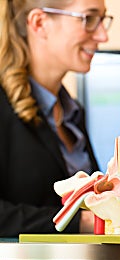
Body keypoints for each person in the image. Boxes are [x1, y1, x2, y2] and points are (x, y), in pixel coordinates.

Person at [0, 0, 112, 237]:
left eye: (102, 20)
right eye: (88, 19)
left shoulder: (72, 113)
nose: (103, 36)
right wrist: (81, 222)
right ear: (40, 23)